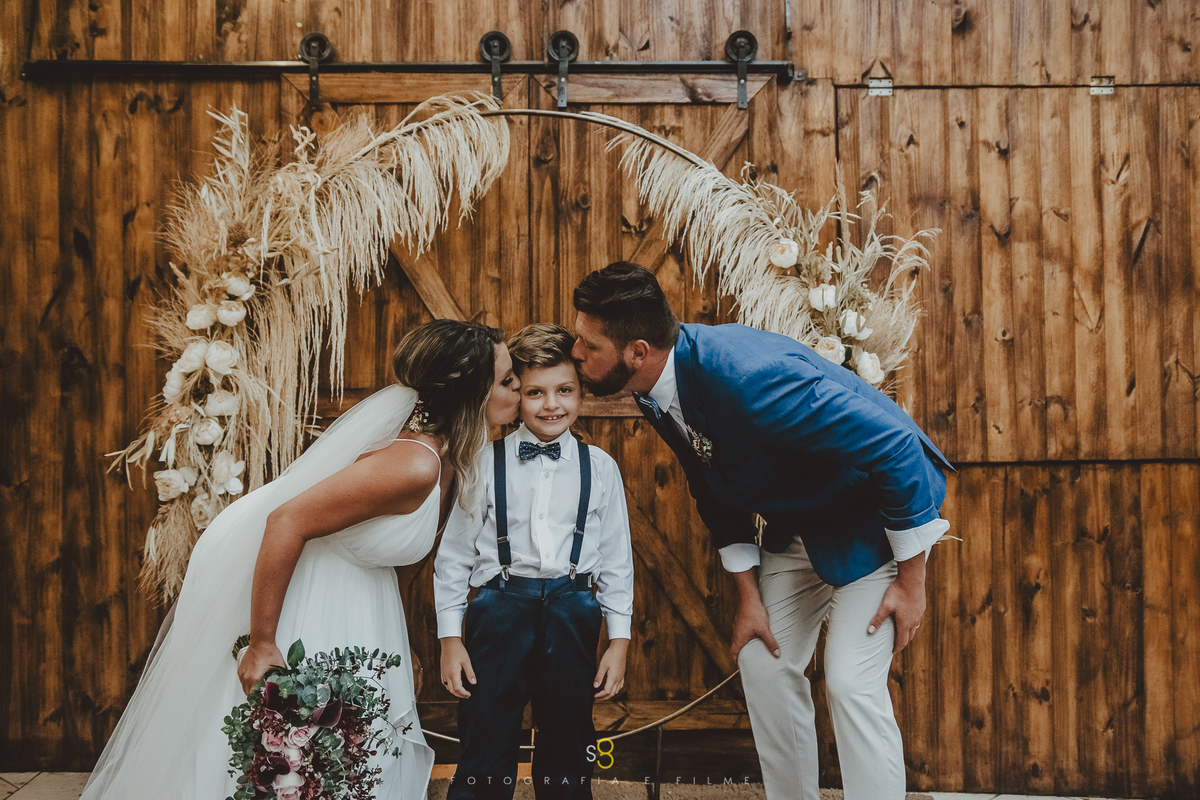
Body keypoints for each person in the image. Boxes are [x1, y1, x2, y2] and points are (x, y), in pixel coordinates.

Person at [82, 319, 522, 800]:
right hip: (317, 603)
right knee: (302, 752)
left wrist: (404, 646)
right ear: (470, 393)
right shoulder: (414, 463)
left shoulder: (450, 458)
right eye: (506, 380)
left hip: (363, 602)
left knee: (345, 757)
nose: (517, 387)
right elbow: (286, 521)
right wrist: (263, 643)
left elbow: (394, 559)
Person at [569, 263, 953, 800]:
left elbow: (894, 445)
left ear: (636, 351)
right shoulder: (653, 385)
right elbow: (710, 488)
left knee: (849, 683)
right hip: (799, 526)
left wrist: (913, 583)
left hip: (872, 523)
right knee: (761, 656)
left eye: (587, 345)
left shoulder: (750, 379)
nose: (576, 354)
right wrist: (749, 597)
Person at [434, 323, 634, 800]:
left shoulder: (600, 467)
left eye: (564, 390)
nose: (551, 405)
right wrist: (450, 639)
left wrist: (619, 641)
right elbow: (454, 556)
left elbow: (616, 561)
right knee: (486, 732)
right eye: (535, 392)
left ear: (581, 393)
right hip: (500, 608)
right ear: (515, 395)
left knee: (569, 738)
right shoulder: (484, 461)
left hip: (574, 609)